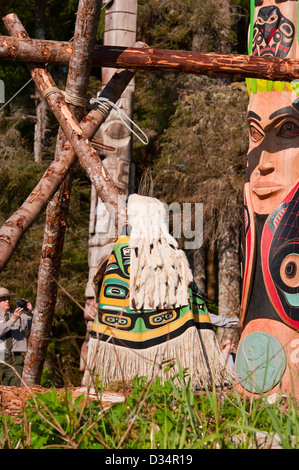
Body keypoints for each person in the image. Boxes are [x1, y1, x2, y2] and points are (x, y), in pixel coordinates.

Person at [0, 287, 33, 387]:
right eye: (4, 299)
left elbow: (38, 327)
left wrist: (30, 311)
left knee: (16, 391)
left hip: (15, 357)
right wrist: (12, 320)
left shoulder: (20, 316)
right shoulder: (15, 317)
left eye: (8, 299)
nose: (7, 301)